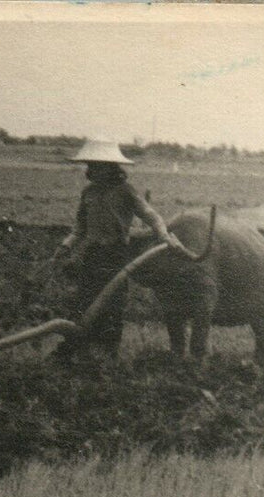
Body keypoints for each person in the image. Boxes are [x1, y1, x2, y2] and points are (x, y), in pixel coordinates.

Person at [53, 138, 183, 361]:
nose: (91, 170)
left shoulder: (125, 191)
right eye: (90, 165)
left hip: (115, 254)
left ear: (111, 168)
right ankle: (75, 347)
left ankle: (108, 352)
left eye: (97, 166)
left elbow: (151, 216)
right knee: (83, 301)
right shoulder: (88, 193)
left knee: (112, 305)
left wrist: (163, 236)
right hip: (91, 254)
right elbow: (79, 228)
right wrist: (66, 246)